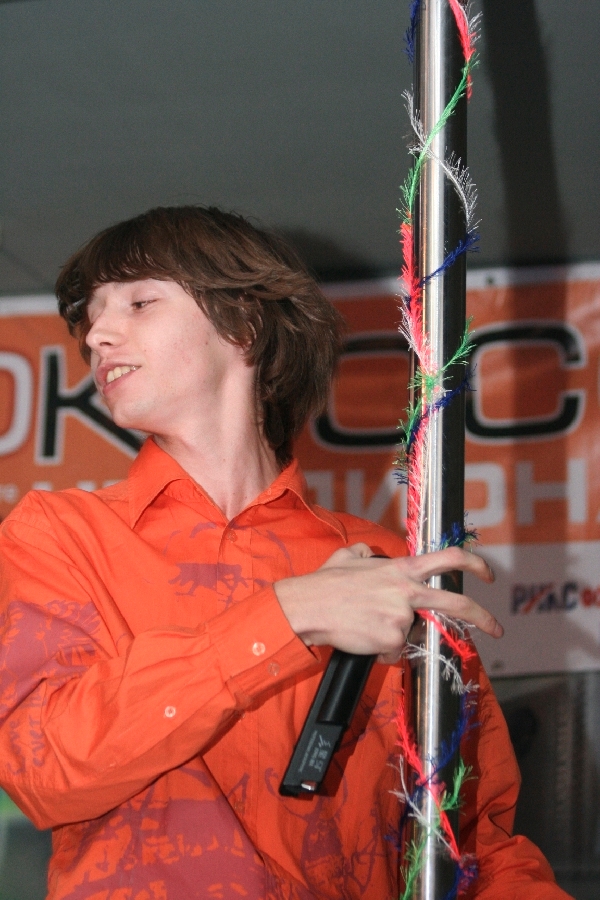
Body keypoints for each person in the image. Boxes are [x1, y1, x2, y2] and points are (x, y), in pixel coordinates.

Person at [0, 206, 570, 900]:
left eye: (139, 302)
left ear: (243, 324)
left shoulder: (386, 565)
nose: (97, 334)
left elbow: (474, 842)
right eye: (91, 315)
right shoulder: (57, 535)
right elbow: (42, 767)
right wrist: (286, 615)